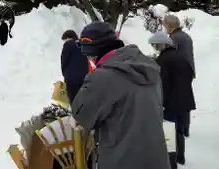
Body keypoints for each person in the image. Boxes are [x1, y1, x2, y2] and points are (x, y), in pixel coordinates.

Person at [72, 21, 170, 169]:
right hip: (157, 160)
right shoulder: (149, 67)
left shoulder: (102, 77)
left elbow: (81, 113)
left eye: (88, 54)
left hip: (122, 161)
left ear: (94, 52)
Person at [149, 31, 196, 168]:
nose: (156, 49)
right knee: (179, 130)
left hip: (171, 103)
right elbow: (189, 74)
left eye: (156, 46)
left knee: (169, 133)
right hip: (184, 100)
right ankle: (180, 158)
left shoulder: (164, 60)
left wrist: (161, 102)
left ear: (163, 45)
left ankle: (171, 162)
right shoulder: (180, 57)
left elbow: (163, 83)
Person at [162, 14, 195, 137]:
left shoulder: (174, 38)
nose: (164, 27)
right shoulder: (186, 36)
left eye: (165, 25)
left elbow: (172, 56)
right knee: (185, 98)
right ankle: (185, 127)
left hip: (178, 72)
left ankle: (179, 127)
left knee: (177, 100)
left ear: (170, 26)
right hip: (188, 70)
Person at [60, 30, 89, 103]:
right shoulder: (82, 45)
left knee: (73, 100)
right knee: (83, 98)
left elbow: (64, 61)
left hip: (71, 78)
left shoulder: (68, 45)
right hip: (84, 77)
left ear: (68, 37)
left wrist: (65, 75)